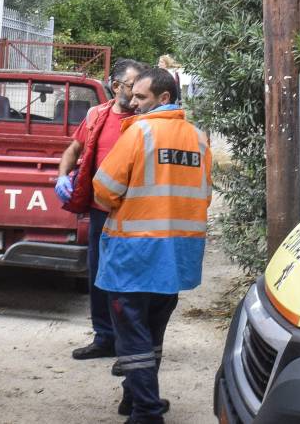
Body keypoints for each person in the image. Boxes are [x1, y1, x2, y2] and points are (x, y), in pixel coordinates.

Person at [92, 66, 212, 423]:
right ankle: (135, 397)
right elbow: (203, 195)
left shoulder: (139, 132)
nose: (133, 102)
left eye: (140, 96)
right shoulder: (199, 138)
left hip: (135, 252)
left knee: (130, 335)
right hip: (177, 255)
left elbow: (104, 189)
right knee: (152, 331)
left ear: (164, 98)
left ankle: (146, 410)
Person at [54, 58, 144, 362]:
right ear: (116, 86)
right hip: (99, 212)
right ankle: (104, 337)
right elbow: (73, 150)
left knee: (129, 281)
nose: (137, 93)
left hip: (134, 215)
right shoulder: (96, 116)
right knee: (98, 277)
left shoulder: (146, 121)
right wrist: (62, 176)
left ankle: (130, 348)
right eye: (133, 86)